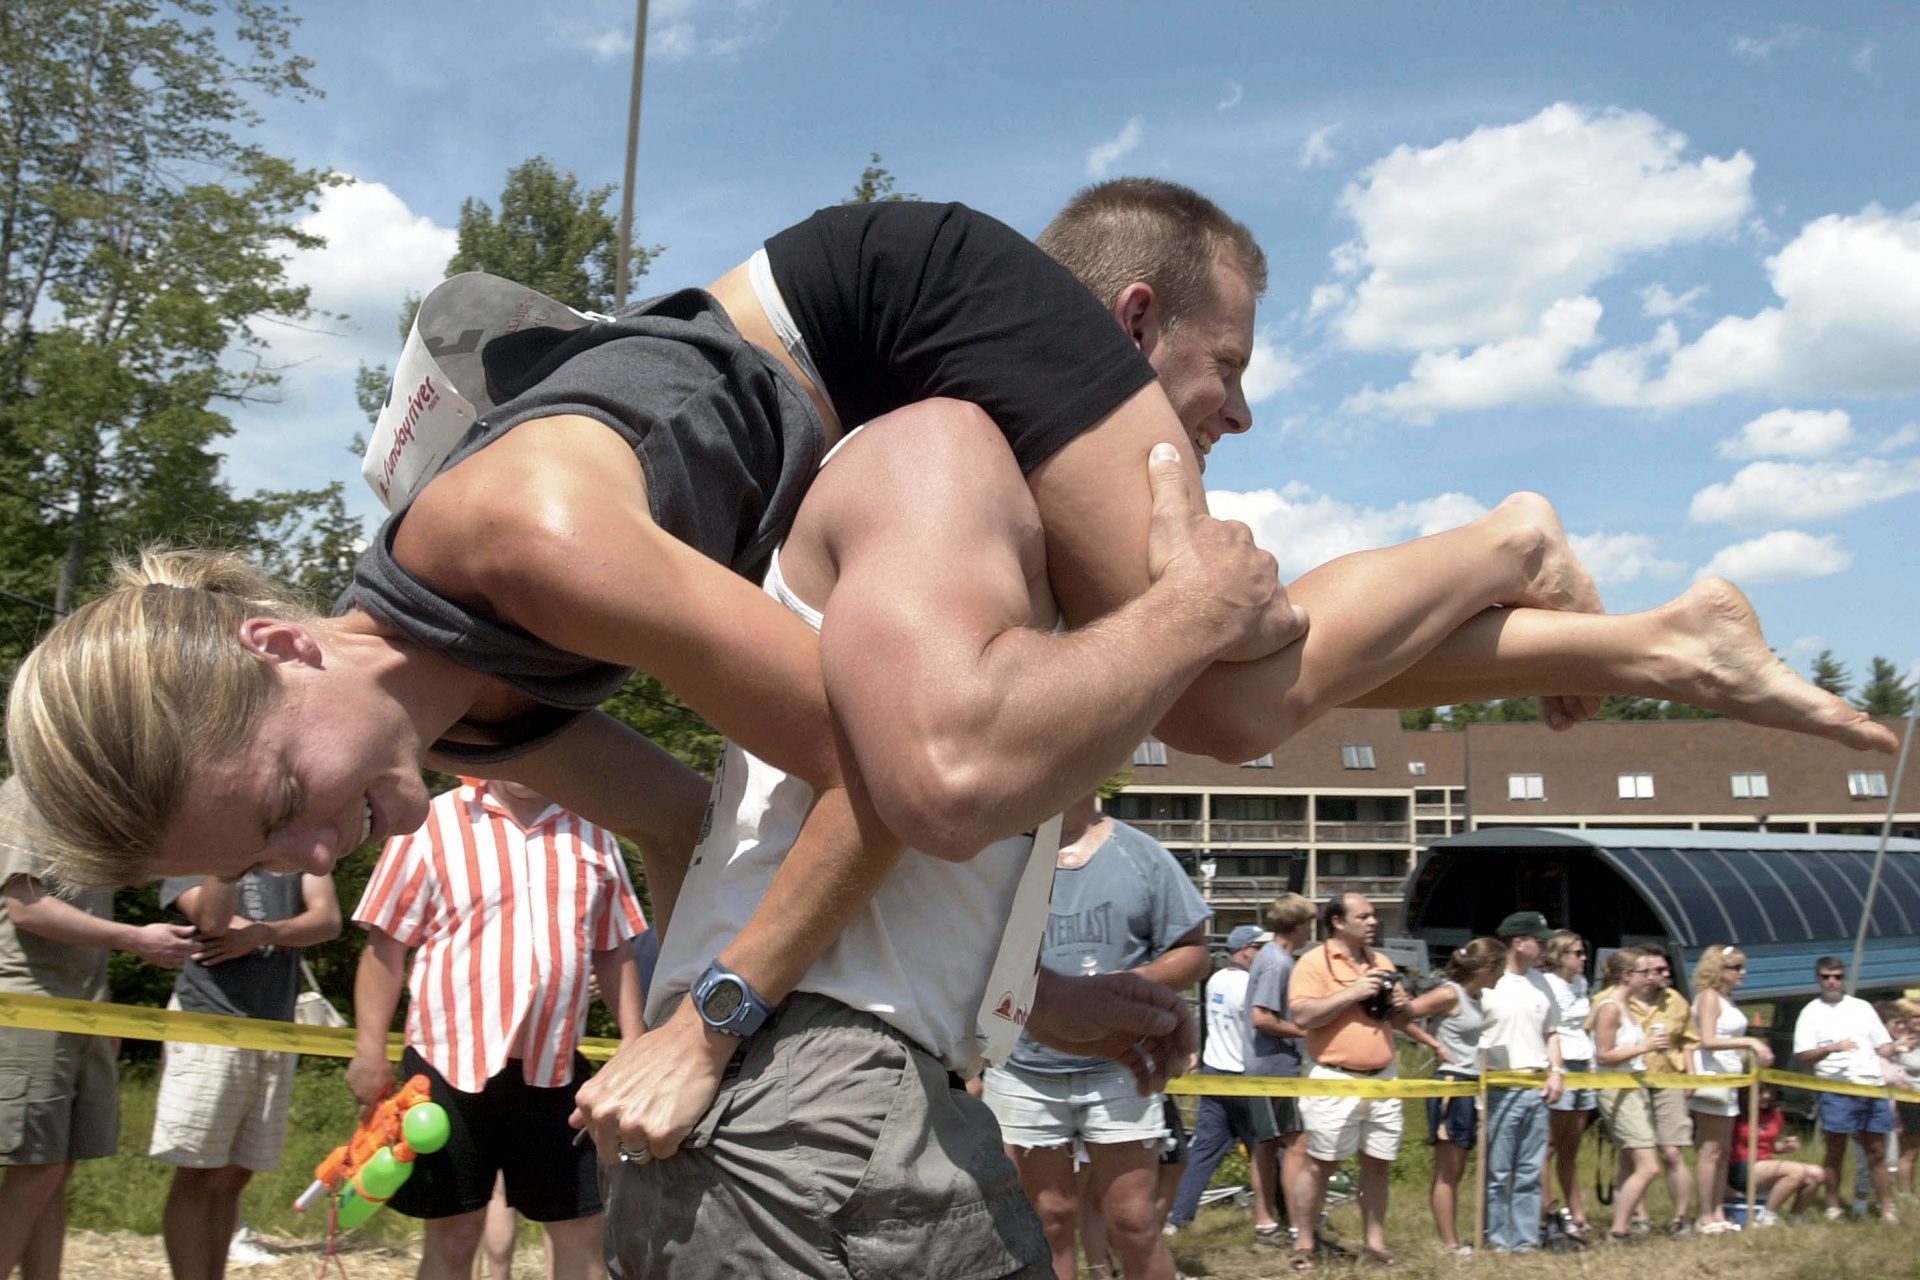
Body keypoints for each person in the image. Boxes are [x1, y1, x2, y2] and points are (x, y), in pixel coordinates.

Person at [10, 180, 1897, 1169]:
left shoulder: (522, 548)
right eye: (267, 855)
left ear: (280, 644)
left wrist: (715, 1025)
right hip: (825, 417)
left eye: (281, 796)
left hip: (892, 302)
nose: (312, 851)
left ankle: (1509, 538)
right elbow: (707, 845)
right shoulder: (470, 715)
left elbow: (903, 785)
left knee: (1206, 698)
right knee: (1193, 720)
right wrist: (1048, 991)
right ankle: (1657, 637)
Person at [349, 779, 646, 1280]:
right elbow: (385, 948)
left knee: (582, 1230)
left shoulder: (594, 829)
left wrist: (635, 1043)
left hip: (553, 1068)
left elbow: (614, 947)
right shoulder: (431, 822)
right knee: (455, 1234)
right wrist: (368, 1051)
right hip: (447, 1067)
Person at [981, 798, 1212, 1280]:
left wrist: (1126, 985)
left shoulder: (1141, 854)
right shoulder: (999, 854)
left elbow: (1193, 953)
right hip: (1024, 1066)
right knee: (1048, 1216)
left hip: (1122, 1064)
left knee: (1133, 1217)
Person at [0, 778, 197, 1280]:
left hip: (82, 1008)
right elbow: (26, 907)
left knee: (54, 1169)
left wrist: (102, 1005)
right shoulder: (30, 792)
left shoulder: (83, 800)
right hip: (31, 1004)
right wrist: (135, 939)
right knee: (36, 1167)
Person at [151, 866, 341, 1280]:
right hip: (209, 1019)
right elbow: (213, 921)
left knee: (234, 1174)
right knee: (198, 1171)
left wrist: (262, 933)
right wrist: (233, 856)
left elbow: (326, 919)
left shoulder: (298, 843)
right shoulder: (199, 842)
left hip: (274, 1024)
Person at [1286, 893, 1409, 1269]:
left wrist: (1403, 1005)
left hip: (1383, 1080)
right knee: (1321, 1163)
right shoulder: (1312, 962)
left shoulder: (1381, 961)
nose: (1373, 922)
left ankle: (1375, 1243)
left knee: (1378, 1163)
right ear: (1338, 922)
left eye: (1374, 916)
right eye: (1364, 916)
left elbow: (1400, 1023)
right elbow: (1303, 1015)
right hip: (1334, 1078)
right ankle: (1304, 1242)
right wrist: (1352, 992)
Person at [1167, 924, 1276, 1235]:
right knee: (1266, 1150)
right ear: (1244, 951)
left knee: (1205, 1148)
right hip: (1242, 1074)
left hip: (1215, 1073)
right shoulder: (1248, 986)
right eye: (1259, 947)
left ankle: (1178, 1217)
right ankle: (1275, 1219)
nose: (1264, 953)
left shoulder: (1216, 979)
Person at [1406, 936, 1506, 1258]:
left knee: (1459, 1167)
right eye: (1501, 968)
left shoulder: (1474, 998)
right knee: (1448, 1169)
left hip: (1469, 1086)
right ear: (1489, 967)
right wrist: (1434, 1044)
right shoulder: (1451, 993)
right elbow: (1403, 1014)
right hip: (1451, 1084)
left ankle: (1456, 1239)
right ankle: (1450, 1244)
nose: (1503, 974)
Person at [1477, 911, 1565, 1253]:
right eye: (1539, 942)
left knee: (1530, 1170)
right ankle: (1498, 1238)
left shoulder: (1542, 983)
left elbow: (1552, 1031)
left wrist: (1556, 1071)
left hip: (1536, 1085)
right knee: (1498, 1172)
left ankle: (1525, 1240)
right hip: (1499, 1086)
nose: (1545, 949)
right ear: (1519, 942)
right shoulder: (1491, 984)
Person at [1792, 956, 1900, 1224]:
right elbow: (1803, 1056)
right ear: (1818, 979)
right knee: (1836, 1148)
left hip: (1870, 1084)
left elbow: (1883, 1044)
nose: (1832, 981)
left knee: (1876, 1150)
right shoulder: (1811, 1012)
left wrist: (1893, 1048)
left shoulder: (1861, 1008)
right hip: (1836, 1087)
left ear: (1844, 978)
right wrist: (1830, 1048)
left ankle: (1887, 1207)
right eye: (1827, 976)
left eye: (1837, 976)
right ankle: (1833, 1205)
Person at [1242, 893, 1317, 1251]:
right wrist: (1305, 1031)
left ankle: (1271, 1220)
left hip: (1268, 1066)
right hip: (1272, 1068)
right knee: (1293, 1143)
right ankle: (1284, 1224)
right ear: (1299, 926)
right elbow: (1262, 1018)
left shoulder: (1273, 958)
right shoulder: (1277, 963)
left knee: (1268, 1145)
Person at [1687, 944, 1775, 1234]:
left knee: (1723, 1151)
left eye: (1742, 967)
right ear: (1719, 970)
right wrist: (1748, 1042)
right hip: (1713, 1079)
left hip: (1731, 1079)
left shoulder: (1728, 999)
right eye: (1736, 968)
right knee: (1710, 1150)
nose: (1742, 973)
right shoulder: (1709, 997)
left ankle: (1718, 1210)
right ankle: (1704, 1214)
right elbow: (1707, 1040)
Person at [1591, 948, 1664, 1245]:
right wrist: (1644, 1048)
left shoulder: (1629, 1006)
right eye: (1643, 973)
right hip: (1617, 1088)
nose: (1648, 978)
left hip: (1633, 1085)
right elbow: (1604, 1054)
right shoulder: (1609, 1007)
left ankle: (1628, 1223)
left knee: (1628, 1163)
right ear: (1626, 975)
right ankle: (1619, 1230)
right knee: (1649, 1166)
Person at [1629, 941, 1697, 1235]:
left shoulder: (1675, 1001)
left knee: (1671, 1152)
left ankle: (1681, 1218)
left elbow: (1691, 1041)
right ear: (1640, 972)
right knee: (1635, 1152)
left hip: (1669, 1078)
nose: (1663, 973)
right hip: (1631, 1082)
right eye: (1655, 969)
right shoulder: (1622, 1000)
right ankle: (1638, 1218)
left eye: (1664, 967)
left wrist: (1691, 1077)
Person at [1540, 929, 1597, 1238]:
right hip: (1559, 1065)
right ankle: (1548, 1210)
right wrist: (1555, 1068)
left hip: (1582, 1062)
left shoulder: (1581, 983)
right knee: (1550, 1144)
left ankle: (1577, 1212)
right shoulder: (1548, 985)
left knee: (1571, 1146)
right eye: (1577, 953)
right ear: (1560, 956)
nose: (1583, 958)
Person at [1729, 1084, 1821, 1225]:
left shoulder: (1774, 1115)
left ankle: (1795, 1217)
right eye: (1760, 1092)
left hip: (1765, 1165)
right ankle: (1766, 1217)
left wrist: (1784, 1147)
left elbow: (1769, 1144)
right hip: (1741, 1165)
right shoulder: (1736, 1115)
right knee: (1796, 1172)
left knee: (1817, 1174)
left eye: (1769, 1091)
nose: (1766, 1096)